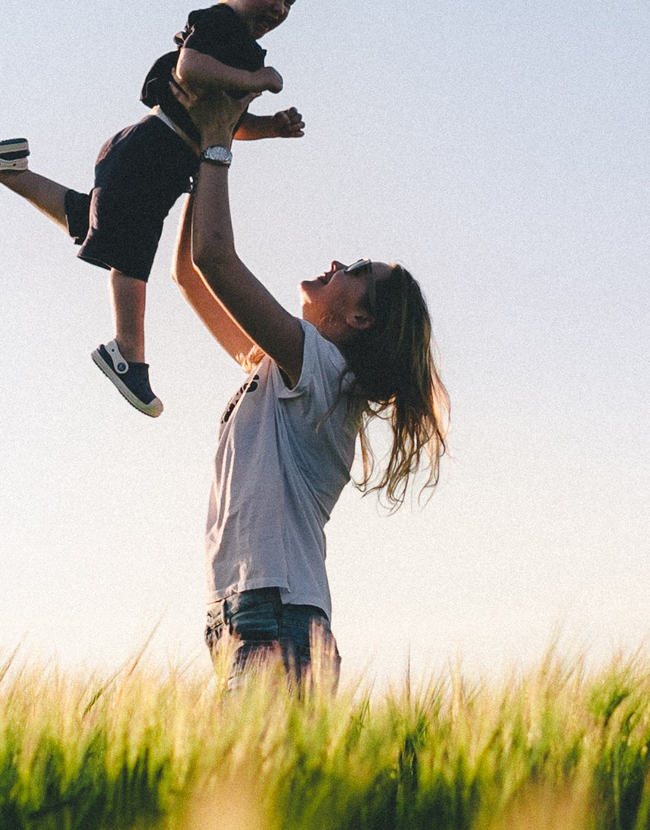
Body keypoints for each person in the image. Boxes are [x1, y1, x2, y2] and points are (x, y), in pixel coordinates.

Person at [0, 0, 308, 418]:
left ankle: (5, 168)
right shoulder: (221, 25)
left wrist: (270, 129)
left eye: (290, 2)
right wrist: (253, 80)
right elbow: (191, 67)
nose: (280, 9)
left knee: (91, 220)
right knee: (130, 248)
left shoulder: (243, 48)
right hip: (152, 151)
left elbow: (226, 123)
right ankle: (126, 352)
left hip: (161, 157)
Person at [168, 81, 447, 688]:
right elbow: (191, 273)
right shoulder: (284, 369)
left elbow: (217, 259)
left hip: (277, 614)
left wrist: (219, 139)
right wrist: (199, 144)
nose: (335, 263)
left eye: (353, 271)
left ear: (360, 319)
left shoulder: (320, 371)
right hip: (244, 612)